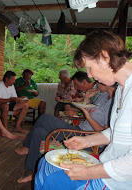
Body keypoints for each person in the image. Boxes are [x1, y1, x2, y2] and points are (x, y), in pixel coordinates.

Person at [35, 30, 132, 190]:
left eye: (89, 68)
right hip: (106, 162)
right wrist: (87, 141)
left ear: (104, 57)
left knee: (51, 179)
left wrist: (90, 172)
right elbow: (117, 133)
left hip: (117, 181)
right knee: (46, 164)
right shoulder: (122, 88)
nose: (90, 75)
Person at [15, 82, 116, 184]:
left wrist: (87, 116)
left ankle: (27, 146)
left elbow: (104, 132)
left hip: (88, 140)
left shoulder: (114, 103)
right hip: (79, 129)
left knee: (45, 118)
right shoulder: (103, 96)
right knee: (39, 131)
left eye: (97, 81)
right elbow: (86, 113)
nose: (95, 84)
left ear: (105, 83)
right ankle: (33, 171)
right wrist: (86, 100)